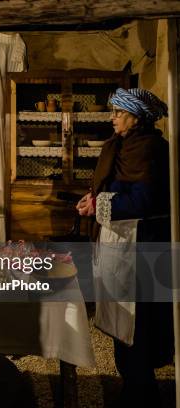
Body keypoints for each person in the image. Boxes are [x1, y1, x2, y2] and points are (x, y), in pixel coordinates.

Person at [76, 88, 172, 407]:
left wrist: (99, 205)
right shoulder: (119, 145)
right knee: (121, 320)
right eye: (113, 111)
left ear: (135, 117)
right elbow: (110, 189)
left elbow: (144, 201)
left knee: (139, 324)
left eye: (118, 112)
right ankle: (131, 382)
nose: (112, 117)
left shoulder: (150, 149)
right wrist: (94, 199)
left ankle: (142, 391)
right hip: (118, 245)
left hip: (142, 248)